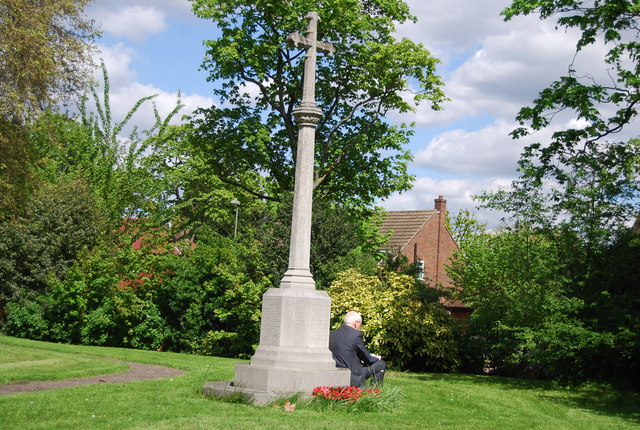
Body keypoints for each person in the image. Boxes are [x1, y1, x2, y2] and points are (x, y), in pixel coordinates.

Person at [329, 311, 386, 387]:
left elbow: (346, 352)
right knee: (381, 364)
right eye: (360, 324)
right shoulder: (355, 335)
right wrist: (376, 358)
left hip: (336, 372)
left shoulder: (333, 333)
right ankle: (374, 392)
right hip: (353, 375)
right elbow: (368, 359)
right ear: (356, 323)